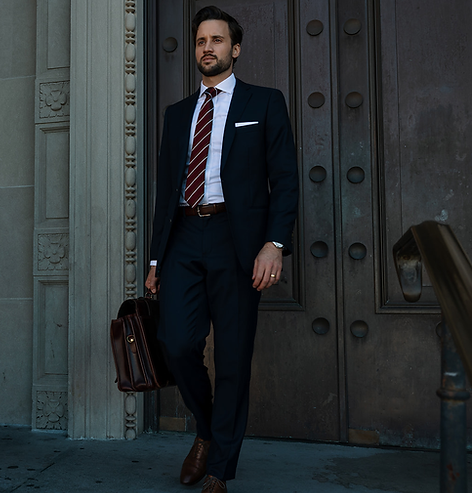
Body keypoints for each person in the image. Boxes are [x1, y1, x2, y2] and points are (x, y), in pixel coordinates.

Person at [145, 6, 299, 493]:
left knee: (232, 357)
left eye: (216, 40)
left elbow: (286, 182)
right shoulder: (176, 115)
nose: (206, 48)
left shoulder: (265, 103)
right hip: (185, 239)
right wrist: (155, 258)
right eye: (199, 41)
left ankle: (219, 467)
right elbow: (166, 190)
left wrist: (273, 245)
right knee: (175, 342)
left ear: (235, 48)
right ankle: (208, 430)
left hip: (238, 239)